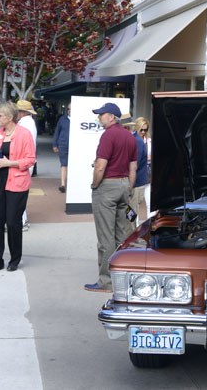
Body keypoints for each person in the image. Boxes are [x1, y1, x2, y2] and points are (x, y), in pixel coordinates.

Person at [84, 102, 137, 292]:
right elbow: (133, 167)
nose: (99, 118)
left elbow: (100, 166)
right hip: (123, 184)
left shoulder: (108, 135)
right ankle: (124, 277)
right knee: (122, 235)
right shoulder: (130, 137)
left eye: (101, 115)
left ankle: (106, 281)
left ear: (112, 117)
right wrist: (129, 189)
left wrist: (95, 184)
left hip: (108, 185)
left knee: (105, 236)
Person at [0, 102, 36, 272]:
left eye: (0, 115)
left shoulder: (24, 134)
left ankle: (15, 259)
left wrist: (11, 163)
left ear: (9, 117)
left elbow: (30, 159)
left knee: (13, 223)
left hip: (17, 183)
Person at [15, 99, 38, 227]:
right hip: (27, 161)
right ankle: (22, 219)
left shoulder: (24, 124)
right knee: (21, 192)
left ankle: (22, 220)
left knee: (19, 192)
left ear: (21, 112)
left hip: (23, 161)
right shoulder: (29, 122)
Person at [131, 116, 152, 220]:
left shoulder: (149, 141)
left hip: (147, 175)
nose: (143, 132)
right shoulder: (133, 139)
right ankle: (134, 227)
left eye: (145, 129)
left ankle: (149, 227)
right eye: (141, 129)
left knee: (150, 203)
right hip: (136, 177)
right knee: (133, 206)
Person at [52, 105, 70, 193]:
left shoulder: (79, 119)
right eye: (68, 109)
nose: (70, 110)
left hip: (75, 146)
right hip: (63, 145)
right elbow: (57, 132)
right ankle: (63, 184)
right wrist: (54, 144)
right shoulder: (62, 119)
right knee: (64, 164)